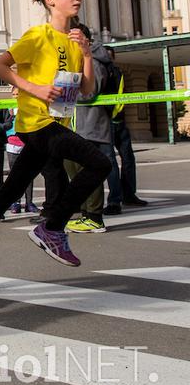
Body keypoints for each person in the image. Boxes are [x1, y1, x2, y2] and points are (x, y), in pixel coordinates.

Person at [0, 0, 111, 289]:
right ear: (50, 0)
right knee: (100, 162)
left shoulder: (75, 40)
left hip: (58, 121)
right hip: (37, 123)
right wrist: (33, 88)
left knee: (9, 191)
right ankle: (52, 228)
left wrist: (89, 55)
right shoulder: (38, 36)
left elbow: (88, 90)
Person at [65, 24, 118, 234]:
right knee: (75, 170)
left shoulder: (94, 61)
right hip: (78, 125)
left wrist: (66, 92)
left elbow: (90, 92)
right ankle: (86, 214)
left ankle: (94, 217)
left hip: (92, 125)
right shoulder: (77, 61)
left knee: (90, 170)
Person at [104, 47, 147, 212]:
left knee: (126, 159)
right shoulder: (103, 71)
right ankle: (116, 200)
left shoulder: (116, 72)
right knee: (114, 162)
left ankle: (127, 196)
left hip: (117, 121)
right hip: (108, 122)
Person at [4, 86, 38, 215]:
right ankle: (15, 202)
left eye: (19, 93)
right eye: (14, 94)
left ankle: (29, 202)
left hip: (26, 144)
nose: (16, 96)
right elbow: (5, 124)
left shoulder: (28, 108)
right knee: (15, 175)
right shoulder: (9, 108)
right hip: (12, 144)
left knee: (28, 174)